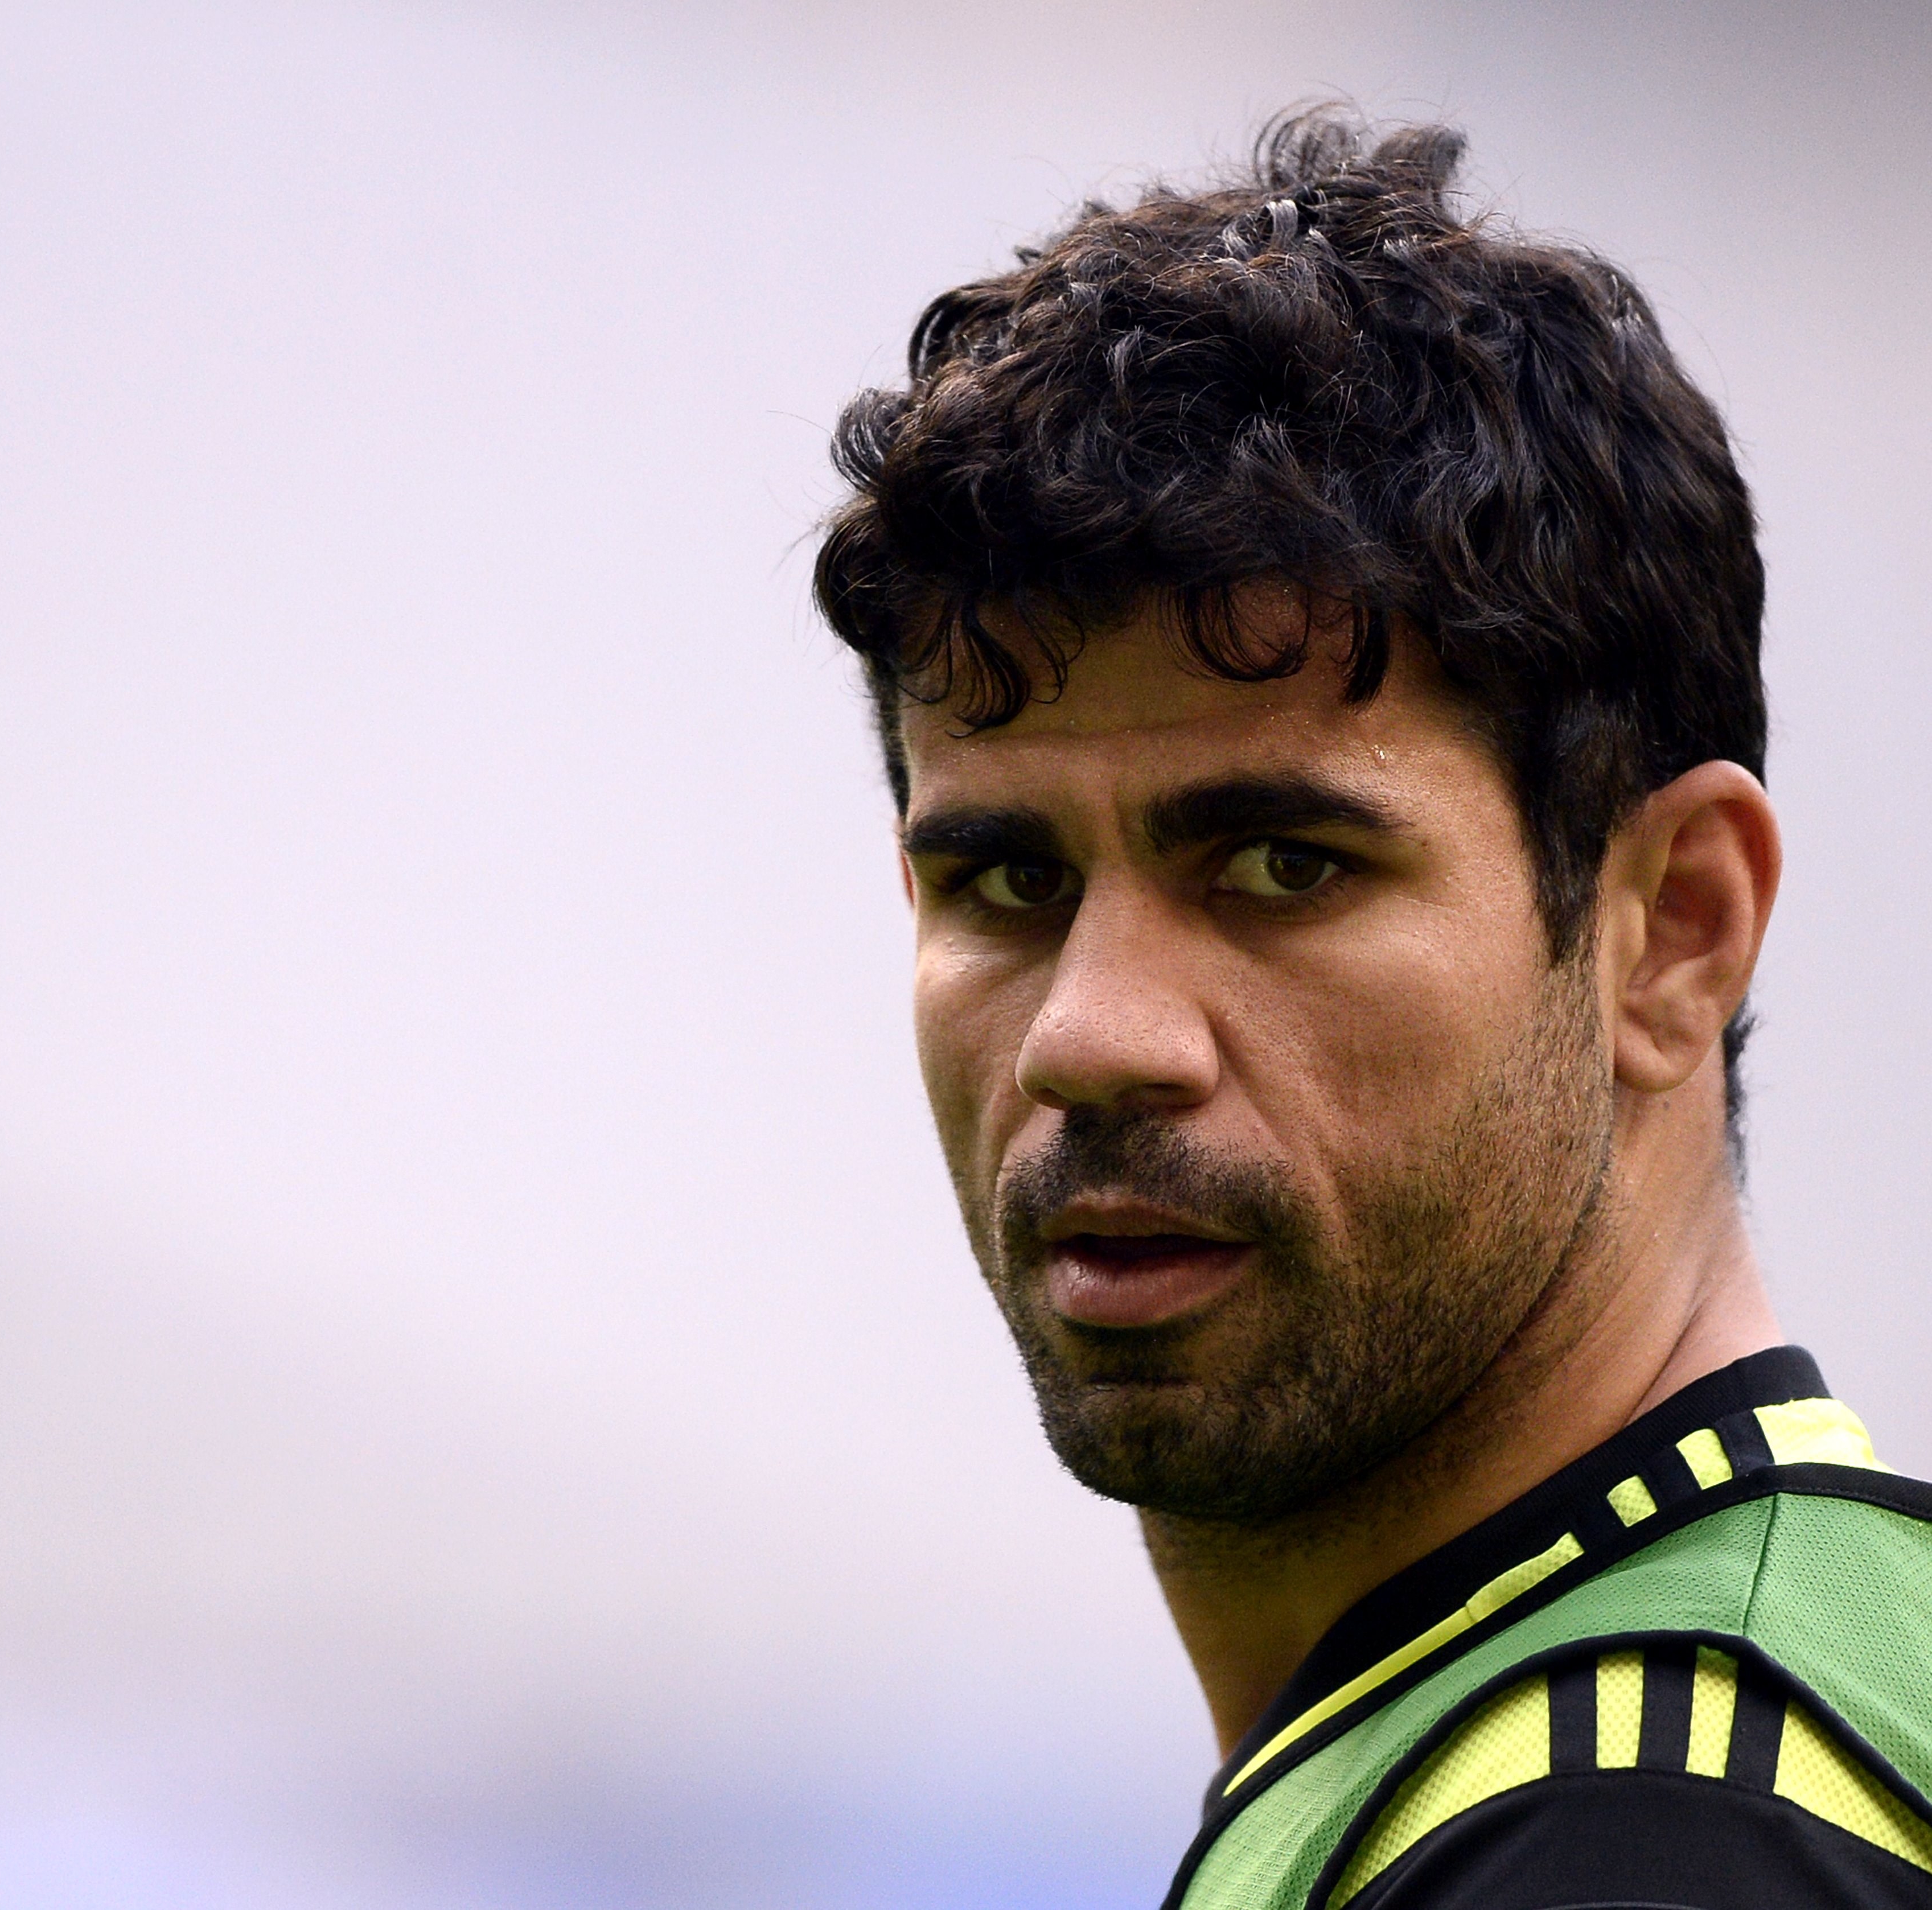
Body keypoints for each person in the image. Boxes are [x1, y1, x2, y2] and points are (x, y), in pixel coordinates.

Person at [809, 109, 1932, 1908]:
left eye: (1280, 864)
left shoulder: (1646, 1830)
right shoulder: (1688, 1707)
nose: (1092, 1034)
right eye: (1009, 881)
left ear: (1675, 931)